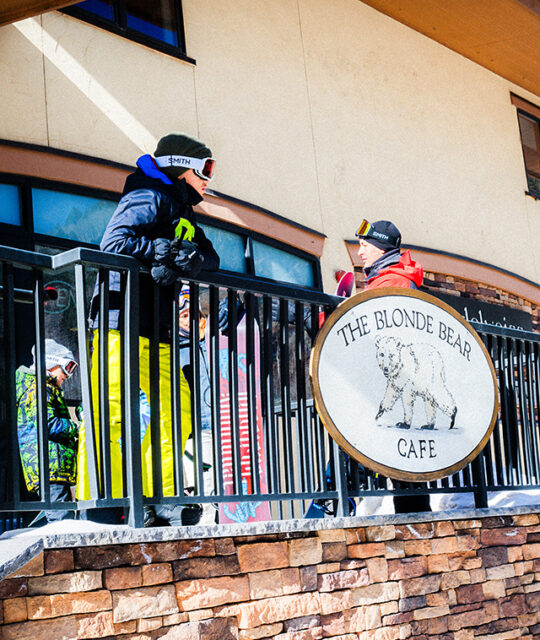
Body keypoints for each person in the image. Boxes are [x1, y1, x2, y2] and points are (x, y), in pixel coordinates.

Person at [77, 132, 220, 526]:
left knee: (177, 408)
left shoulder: (181, 210)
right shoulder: (146, 195)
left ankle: (162, 497)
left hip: (157, 330)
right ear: (182, 166)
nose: (210, 179)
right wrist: (159, 250)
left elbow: (211, 255)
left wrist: (187, 257)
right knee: (111, 409)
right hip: (119, 322)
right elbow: (114, 243)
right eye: (206, 169)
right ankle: (103, 501)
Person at [355, 218, 429, 514]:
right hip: (395, 381)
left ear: (379, 247)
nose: (360, 253)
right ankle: (414, 519)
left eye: (364, 246)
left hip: (397, 381)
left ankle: (413, 520)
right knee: (402, 466)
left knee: (397, 460)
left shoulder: (393, 281)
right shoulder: (388, 277)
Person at [16, 339, 79, 525]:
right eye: (66, 367)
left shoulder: (45, 388)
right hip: (48, 468)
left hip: (53, 468)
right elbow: (47, 424)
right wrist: (77, 427)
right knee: (62, 521)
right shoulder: (37, 388)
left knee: (59, 514)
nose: (69, 374)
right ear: (50, 364)